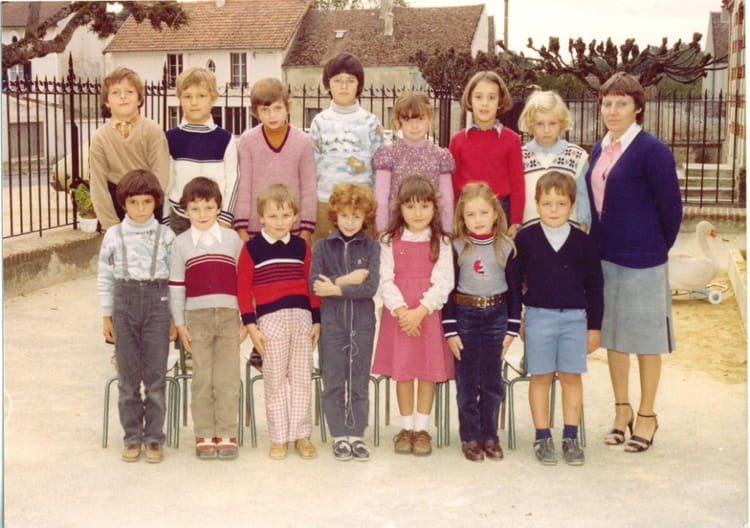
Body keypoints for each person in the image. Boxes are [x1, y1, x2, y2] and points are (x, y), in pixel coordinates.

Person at [585, 73, 682, 453]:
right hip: (606, 258)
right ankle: (621, 410)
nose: (613, 111)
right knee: (615, 338)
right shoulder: (599, 148)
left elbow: (671, 212)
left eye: (621, 103)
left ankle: (647, 415)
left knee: (645, 340)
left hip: (644, 262)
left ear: (637, 107)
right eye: (607, 103)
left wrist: (652, 248)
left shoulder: (652, 151)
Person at [506, 171, 604, 465]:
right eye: (547, 203)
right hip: (539, 318)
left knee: (571, 377)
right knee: (541, 376)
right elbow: (514, 284)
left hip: (574, 319)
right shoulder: (526, 239)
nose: (554, 210)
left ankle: (570, 437)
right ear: (537, 204)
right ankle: (542, 436)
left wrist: (594, 328)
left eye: (561, 204)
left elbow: (595, 287)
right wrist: (518, 318)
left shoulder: (583, 242)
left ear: (572, 205)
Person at [97, 169, 176, 463]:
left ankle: (154, 437)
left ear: (156, 202)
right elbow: (105, 277)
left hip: (158, 304)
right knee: (128, 380)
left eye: (147, 202)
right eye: (133, 202)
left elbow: (175, 280)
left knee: (155, 378)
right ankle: (132, 436)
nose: (141, 209)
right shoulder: (114, 235)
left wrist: (174, 316)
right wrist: (107, 316)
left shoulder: (166, 236)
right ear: (123, 204)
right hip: (124, 303)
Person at [237, 184, 321, 460]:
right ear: (261, 218)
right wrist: (251, 327)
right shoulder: (251, 249)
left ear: (295, 217)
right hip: (270, 322)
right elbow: (243, 290)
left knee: (301, 378)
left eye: (286, 216)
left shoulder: (301, 246)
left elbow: (311, 284)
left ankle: (301, 435)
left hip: (302, 319)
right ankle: (279, 437)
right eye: (273, 216)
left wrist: (316, 320)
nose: (280, 222)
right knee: (274, 380)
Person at [372, 176, 454, 456]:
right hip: (399, 316)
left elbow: (444, 281)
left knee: (427, 371)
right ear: (400, 208)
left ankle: (422, 429)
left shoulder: (442, 241)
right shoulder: (388, 240)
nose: (417, 213)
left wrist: (420, 311)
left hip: (427, 315)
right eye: (410, 206)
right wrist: (401, 311)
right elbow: (385, 279)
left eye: (424, 206)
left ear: (434, 208)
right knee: (404, 371)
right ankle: (406, 428)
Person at [168, 177, 244, 460]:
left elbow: (244, 281)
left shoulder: (232, 240)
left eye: (209, 208)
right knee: (202, 378)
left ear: (218, 208)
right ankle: (204, 433)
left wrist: (246, 318)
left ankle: (226, 432)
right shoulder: (180, 244)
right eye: (195, 208)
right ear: (185, 210)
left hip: (228, 317)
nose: (202, 214)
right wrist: (180, 323)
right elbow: (176, 286)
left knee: (227, 378)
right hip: (196, 319)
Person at [441, 182, 516, 462]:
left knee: (492, 381)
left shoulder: (506, 247)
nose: (478, 219)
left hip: (496, 315)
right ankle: (470, 436)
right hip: (465, 316)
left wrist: (512, 327)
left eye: (484, 213)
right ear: (462, 218)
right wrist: (450, 329)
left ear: (495, 213)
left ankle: (490, 436)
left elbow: (514, 291)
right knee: (467, 382)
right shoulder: (456, 247)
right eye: (471, 214)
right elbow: (448, 290)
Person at [310, 183, 380, 461]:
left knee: (359, 380)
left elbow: (370, 287)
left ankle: (356, 435)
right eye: (344, 215)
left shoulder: (372, 247)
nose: (350, 222)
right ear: (335, 215)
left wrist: (335, 288)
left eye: (356, 216)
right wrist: (347, 280)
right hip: (333, 322)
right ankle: (339, 435)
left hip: (362, 322)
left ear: (365, 218)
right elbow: (316, 285)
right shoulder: (322, 246)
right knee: (334, 379)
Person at [309, 53, 384, 243]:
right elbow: (312, 167)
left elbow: (379, 168)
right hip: (326, 203)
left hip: (362, 207)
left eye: (350, 80)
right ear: (328, 84)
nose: (344, 86)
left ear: (359, 85)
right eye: (338, 80)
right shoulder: (319, 122)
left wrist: (377, 207)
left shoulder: (371, 122)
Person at [234, 77, 317, 243]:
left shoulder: (302, 141)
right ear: (256, 111)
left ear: (288, 106)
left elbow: (308, 187)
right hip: (256, 228)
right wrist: (241, 227)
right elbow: (244, 186)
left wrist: (306, 229)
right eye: (265, 110)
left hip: (292, 228)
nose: (272, 115)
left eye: (277, 108)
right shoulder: (248, 141)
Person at [90, 67, 169, 230]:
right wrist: (111, 226)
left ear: (139, 99)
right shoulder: (100, 137)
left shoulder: (152, 130)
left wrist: (148, 209)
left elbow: (161, 173)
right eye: (115, 92)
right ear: (107, 101)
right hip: (116, 204)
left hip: (148, 203)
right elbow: (98, 185)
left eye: (129, 92)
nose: (123, 96)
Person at [165, 67, 238, 235]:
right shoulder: (170, 138)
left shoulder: (225, 139)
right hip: (179, 219)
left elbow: (233, 181)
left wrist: (225, 220)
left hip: (216, 219)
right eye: (187, 96)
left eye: (201, 96)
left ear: (213, 98)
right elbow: (166, 184)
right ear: (179, 98)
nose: (194, 102)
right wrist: (165, 221)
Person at [449, 70, 524, 236]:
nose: (485, 103)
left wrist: (516, 221)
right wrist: (452, 218)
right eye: (478, 97)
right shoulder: (457, 140)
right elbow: (452, 184)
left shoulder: (511, 140)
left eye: (491, 97)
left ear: (500, 102)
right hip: (467, 212)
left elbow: (517, 183)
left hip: (501, 211)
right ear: (470, 100)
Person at [373, 91, 454, 233]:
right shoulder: (388, 154)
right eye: (407, 120)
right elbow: (381, 197)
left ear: (430, 119)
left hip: (430, 231)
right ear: (398, 122)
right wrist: (383, 232)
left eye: (420, 119)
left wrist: (446, 232)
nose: (414, 126)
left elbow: (446, 199)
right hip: (396, 230)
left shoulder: (440, 156)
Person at [517, 89, 591, 230]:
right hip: (529, 234)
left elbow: (583, 196)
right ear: (530, 124)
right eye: (540, 124)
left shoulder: (576, 156)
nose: (546, 130)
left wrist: (583, 225)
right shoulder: (519, 156)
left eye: (552, 123)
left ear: (562, 123)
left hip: (568, 234)